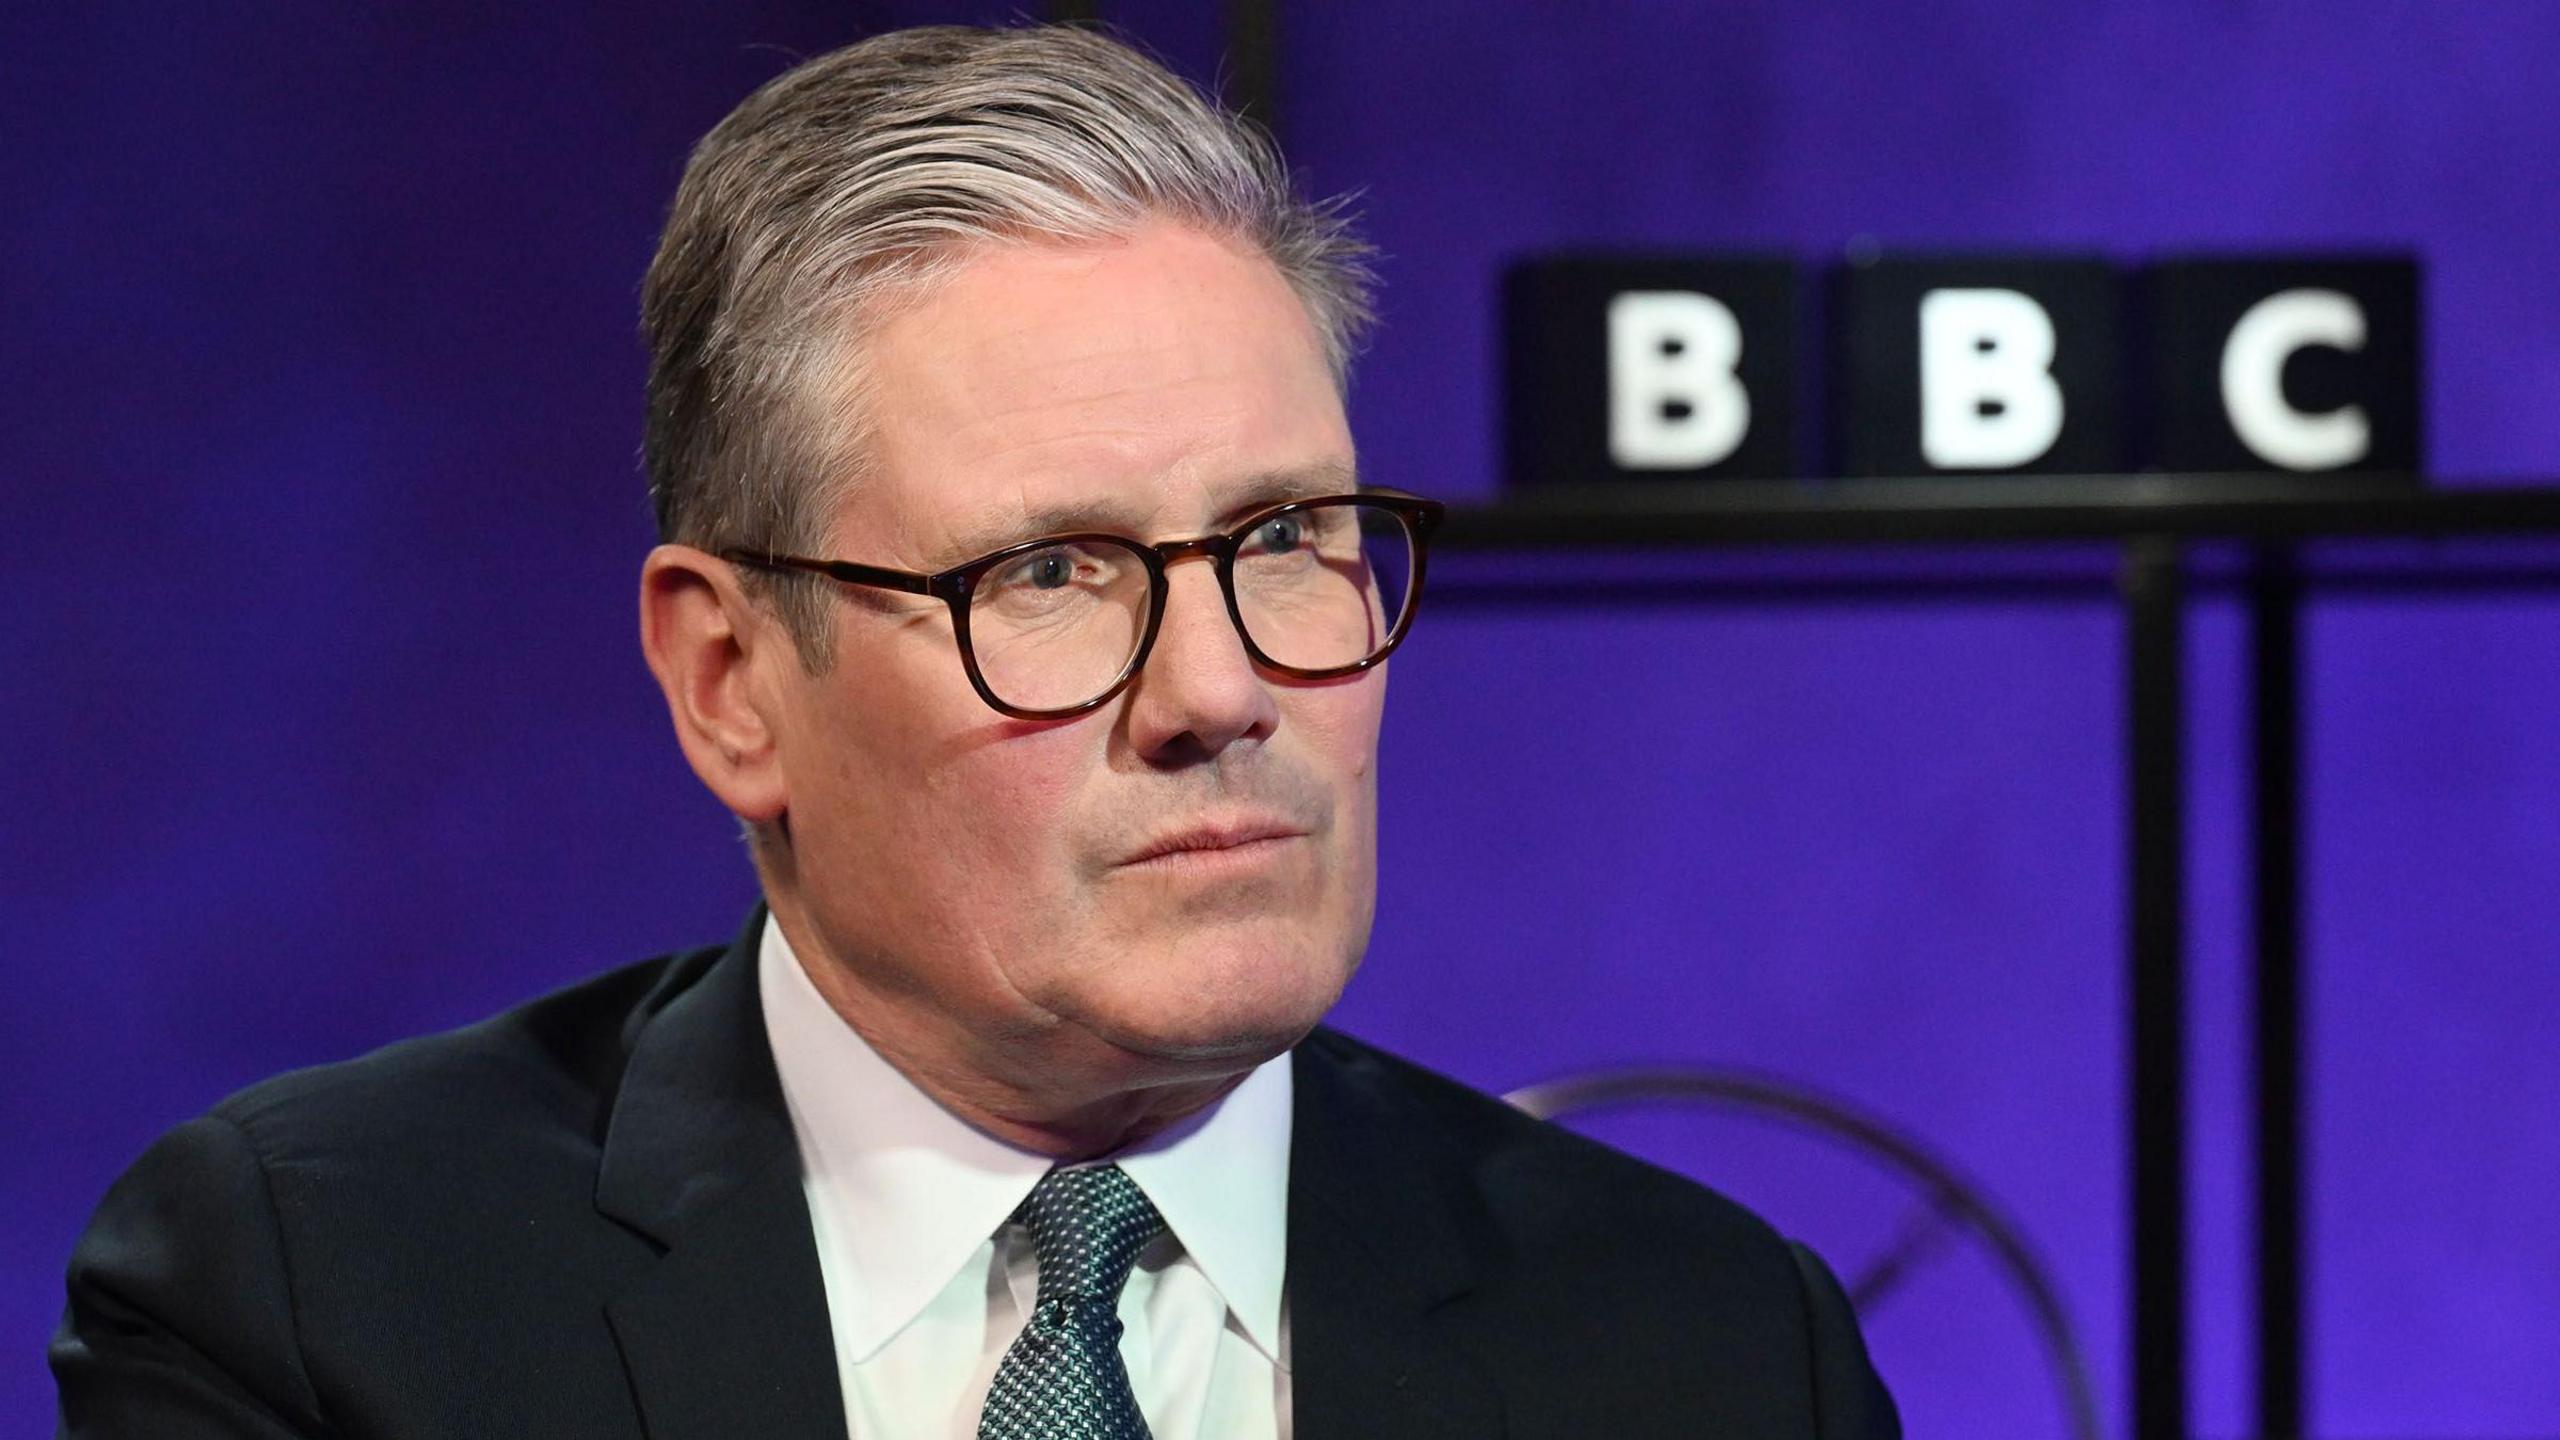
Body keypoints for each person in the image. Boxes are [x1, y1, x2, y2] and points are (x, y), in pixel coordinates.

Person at [53, 24, 1897, 1440]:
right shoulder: (321, 1299)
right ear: (730, 683)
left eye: (1281, 540)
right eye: (1050, 573)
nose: (1218, 692)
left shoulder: (1710, 1350)